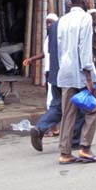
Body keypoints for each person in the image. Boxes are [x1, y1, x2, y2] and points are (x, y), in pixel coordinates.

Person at [26, 13, 85, 151]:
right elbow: (81, 52)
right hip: (72, 74)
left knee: (57, 106)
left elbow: (50, 53)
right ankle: (74, 141)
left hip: (55, 73)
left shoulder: (54, 27)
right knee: (80, 107)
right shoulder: (79, 24)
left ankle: (40, 128)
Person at [56, 0, 96, 164]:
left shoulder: (63, 20)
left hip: (66, 70)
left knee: (68, 113)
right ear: (83, 1)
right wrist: (89, 78)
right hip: (82, 71)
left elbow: (60, 48)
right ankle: (85, 148)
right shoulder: (85, 18)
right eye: (87, 0)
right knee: (93, 108)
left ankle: (65, 153)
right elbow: (84, 49)